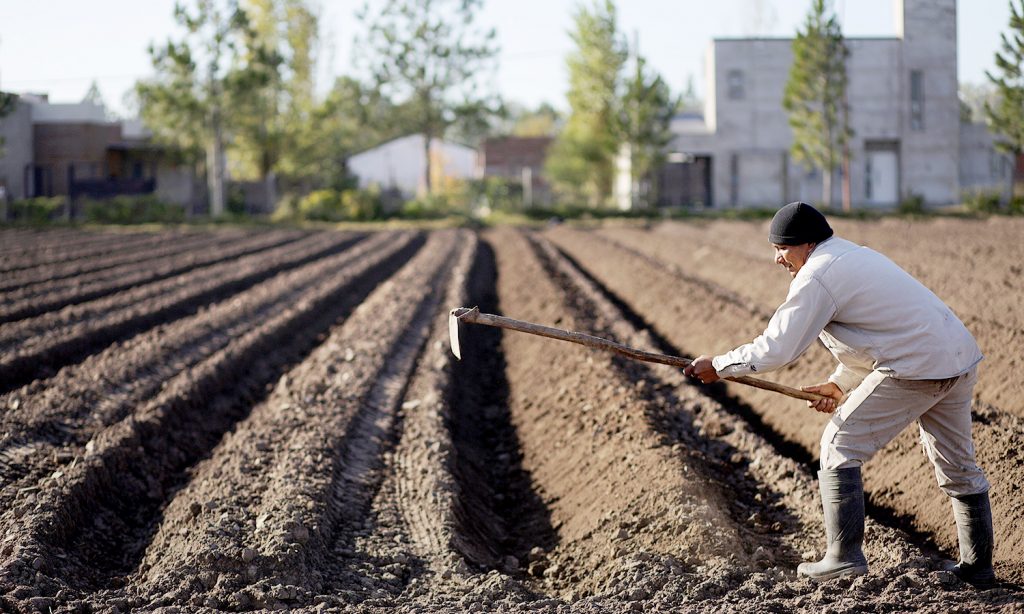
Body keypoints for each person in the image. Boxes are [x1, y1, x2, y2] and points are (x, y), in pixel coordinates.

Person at [683, 202, 994, 586]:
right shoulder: (851, 255)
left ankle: (843, 558)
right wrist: (839, 384)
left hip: (917, 365)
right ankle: (978, 567)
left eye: (782, 248)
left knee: (838, 443)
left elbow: (778, 348)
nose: (777, 259)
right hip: (957, 357)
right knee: (958, 465)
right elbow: (876, 333)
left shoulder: (818, 275)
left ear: (807, 244)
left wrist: (720, 365)